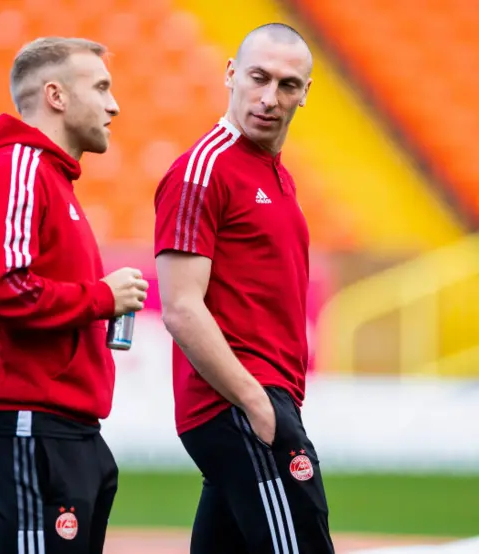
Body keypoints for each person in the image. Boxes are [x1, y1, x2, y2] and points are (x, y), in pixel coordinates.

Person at [0, 37, 149, 554]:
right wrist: (101, 299)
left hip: (64, 428)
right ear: (56, 96)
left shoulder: (50, 178)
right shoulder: (19, 165)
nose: (114, 104)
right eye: (101, 87)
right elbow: (1, 287)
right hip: (30, 425)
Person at [154, 23, 335, 553]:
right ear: (230, 74)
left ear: (305, 94)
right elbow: (182, 309)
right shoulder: (202, 171)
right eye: (258, 77)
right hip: (237, 402)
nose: (269, 97)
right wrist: (258, 405)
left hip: (258, 401)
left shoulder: (275, 173)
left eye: (287, 85)